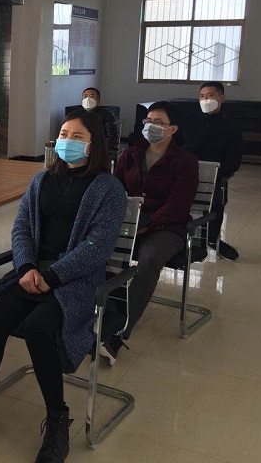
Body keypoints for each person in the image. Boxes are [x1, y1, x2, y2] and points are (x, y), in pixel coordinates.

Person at [0, 110, 126, 463]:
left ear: (94, 144)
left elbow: (98, 246)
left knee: (37, 328)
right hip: (33, 274)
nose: (67, 141)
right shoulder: (42, 180)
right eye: (63, 134)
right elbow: (21, 228)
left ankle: (58, 420)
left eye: (77, 137)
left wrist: (54, 276)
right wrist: (27, 267)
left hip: (76, 280)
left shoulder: (108, 189)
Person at [100, 101, 198, 365]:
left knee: (150, 258)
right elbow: (115, 190)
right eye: (147, 121)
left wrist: (147, 224)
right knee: (97, 248)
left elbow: (178, 206)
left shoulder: (185, 161)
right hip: (130, 222)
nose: (150, 126)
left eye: (158, 122)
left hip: (167, 227)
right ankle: (104, 313)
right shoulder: (130, 154)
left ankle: (120, 332)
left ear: (172, 128)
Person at [181, 81, 243, 261]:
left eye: (210, 96)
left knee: (216, 205)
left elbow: (234, 159)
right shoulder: (190, 121)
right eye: (202, 96)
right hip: (186, 172)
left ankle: (213, 240)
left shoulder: (231, 126)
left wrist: (218, 174)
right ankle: (181, 238)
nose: (205, 100)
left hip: (215, 175)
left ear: (221, 98)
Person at [81, 87, 119, 155]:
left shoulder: (106, 115)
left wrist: (99, 150)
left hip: (98, 151)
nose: (88, 99)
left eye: (92, 96)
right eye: (85, 96)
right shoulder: (77, 115)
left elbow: (112, 138)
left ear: (98, 101)